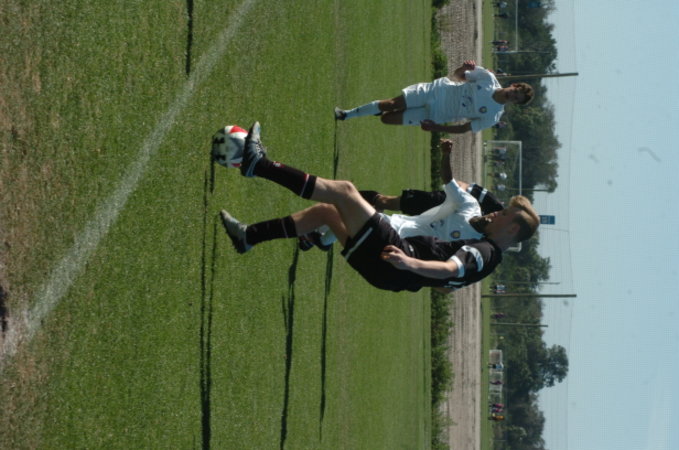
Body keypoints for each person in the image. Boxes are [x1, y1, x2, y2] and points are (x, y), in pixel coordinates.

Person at [219, 122, 540, 293]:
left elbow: (449, 270)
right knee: (326, 213)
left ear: (512, 228)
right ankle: (249, 237)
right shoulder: (487, 253)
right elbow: (448, 281)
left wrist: (410, 263)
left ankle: (258, 164)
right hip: (391, 270)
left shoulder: (485, 251)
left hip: (397, 256)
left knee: (344, 192)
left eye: (504, 214)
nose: (497, 212)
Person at [298, 139, 506, 252]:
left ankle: (311, 233)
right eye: (499, 213)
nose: (495, 215)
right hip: (396, 224)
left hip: (400, 245)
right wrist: (446, 155)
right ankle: (319, 239)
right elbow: (449, 181)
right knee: (344, 214)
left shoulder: (473, 245)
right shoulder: (471, 206)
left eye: (501, 218)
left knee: (347, 207)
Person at [334, 60, 534, 134]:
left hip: (436, 115)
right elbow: (458, 76)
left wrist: (437, 127)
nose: (512, 95)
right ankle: (346, 114)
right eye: (515, 91)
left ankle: (376, 110)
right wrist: (464, 67)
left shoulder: (493, 116)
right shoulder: (488, 78)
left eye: (516, 98)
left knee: (387, 119)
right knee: (391, 103)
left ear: (515, 103)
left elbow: (464, 128)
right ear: (513, 85)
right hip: (435, 91)